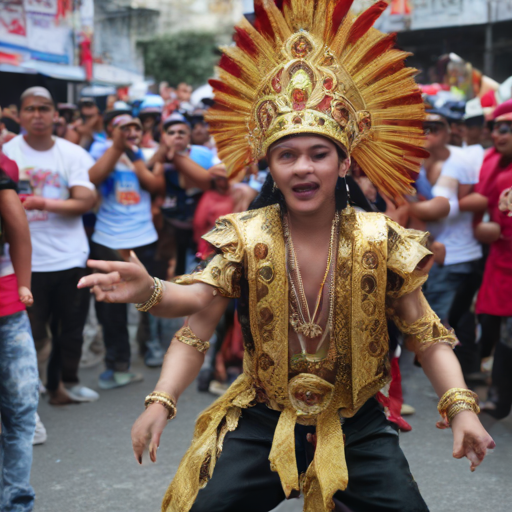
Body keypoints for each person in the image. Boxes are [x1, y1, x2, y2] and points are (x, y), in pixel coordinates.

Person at [79, 2, 494, 511]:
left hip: (357, 424)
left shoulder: (379, 239)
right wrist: (151, 304)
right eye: (287, 155)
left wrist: (462, 410)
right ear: (268, 166)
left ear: (344, 161)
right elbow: (195, 317)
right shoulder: (247, 236)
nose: (303, 168)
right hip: (263, 419)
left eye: (318, 153)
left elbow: (427, 336)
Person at [3, 87, 98, 406]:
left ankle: (65, 383)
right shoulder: (7, 153)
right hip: (23, 264)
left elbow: (86, 199)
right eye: (30, 109)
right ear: (19, 115)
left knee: (70, 329)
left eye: (44, 108)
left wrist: (43, 202)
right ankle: (30, 386)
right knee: (30, 332)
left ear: (55, 114)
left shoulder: (71, 153)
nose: (38, 115)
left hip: (69, 257)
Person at [88, 113, 164, 387]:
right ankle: (117, 365)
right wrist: (118, 148)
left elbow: (155, 186)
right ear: (110, 130)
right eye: (123, 127)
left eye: (134, 126)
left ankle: (152, 351)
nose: (130, 130)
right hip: (108, 240)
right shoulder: (100, 150)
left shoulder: (147, 154)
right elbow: (92, 178)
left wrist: (138, 158)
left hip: (143, 239)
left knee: (151, 298)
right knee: (110, 308)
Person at [0, 155, 39, 512]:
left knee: (22, 411)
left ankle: (16, 503)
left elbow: (19, 233)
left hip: (7, 309)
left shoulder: (4, 173)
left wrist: (24, 285)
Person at [473, 99, 512, 418]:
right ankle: (499, 398)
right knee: (497, 332)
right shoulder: (492, 163)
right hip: (500, 261)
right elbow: (484, 207)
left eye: (508, 128)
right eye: (498, 128)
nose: (502, 135)